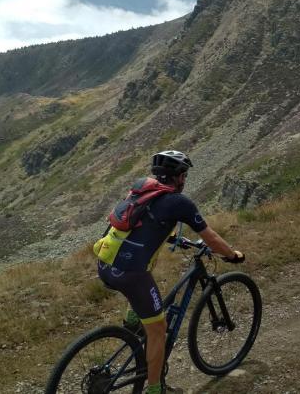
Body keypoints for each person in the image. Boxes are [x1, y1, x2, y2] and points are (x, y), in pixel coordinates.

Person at [97, 150, 244, 394]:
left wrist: (176, 239)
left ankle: (133, 320)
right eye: (184, 175)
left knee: (144, 271)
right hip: (131, 274)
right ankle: (155, 389)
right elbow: (212, 238)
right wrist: (232, 255)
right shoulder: (180, 203)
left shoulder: (143, 190)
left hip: (104, 262)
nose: (185, 180)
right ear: (179, 177)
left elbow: (143, 225)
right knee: (158, 328)